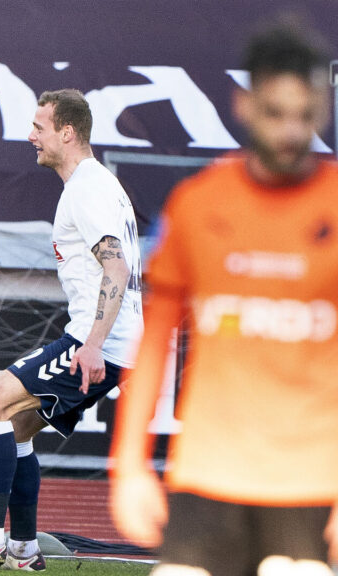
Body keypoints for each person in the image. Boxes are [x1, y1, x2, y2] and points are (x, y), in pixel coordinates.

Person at [109, 19, 338, 575]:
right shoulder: (197, 204)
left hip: (311, 481)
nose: (290, 132)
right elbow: (155, 343)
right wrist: (129, 466)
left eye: (306, 116)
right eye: (275, 114)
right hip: (207, 474)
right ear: (244, 104)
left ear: (325, 109)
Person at [0, 89, 143, 570]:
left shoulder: (88, 188)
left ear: (67, 133)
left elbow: (117, 271)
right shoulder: (94, 185)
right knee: (19, 424)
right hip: (116, 342)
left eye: (39, 128)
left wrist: (90, 347)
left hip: (103, 342)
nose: (31, 137)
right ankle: (24, 550)